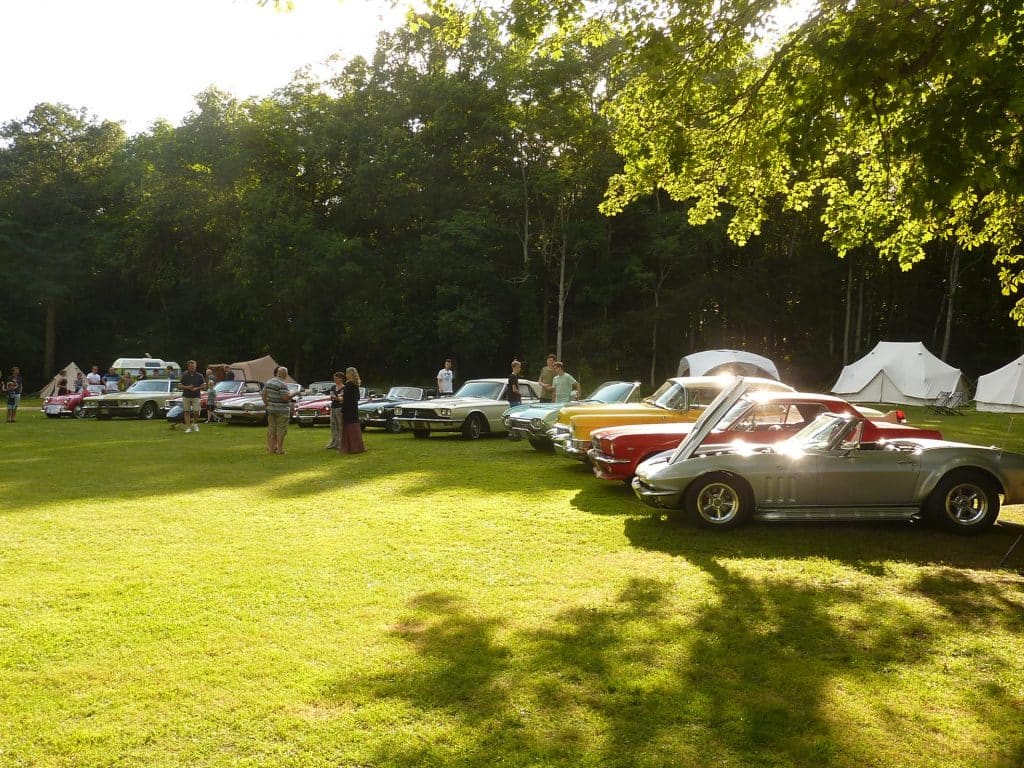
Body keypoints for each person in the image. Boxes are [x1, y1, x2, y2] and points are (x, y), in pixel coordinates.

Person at [262, 366, 298, 454]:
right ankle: (279, 450)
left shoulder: (269, 382)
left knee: (271, 429)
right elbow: (285, 397)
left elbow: (263, 394)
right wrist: (295, 393)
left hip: (271, 409)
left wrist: (266, 403)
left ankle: (271, 449)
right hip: (282, 410)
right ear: (284, 374)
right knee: (281, 430)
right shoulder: (282, 384)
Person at [339, 367, 366, 454]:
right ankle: (357, 446)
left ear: (349, 374)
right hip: (354, 408)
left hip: (348, 409)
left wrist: (341, 398)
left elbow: (346, 398)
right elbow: (357, 398)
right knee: (355, 427)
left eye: (347, 373)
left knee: (348, 428)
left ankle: (349, 447)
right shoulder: (356, 385)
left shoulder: (349, 384)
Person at [178, 360, 205, 433]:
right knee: (187, 412)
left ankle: (195, 424)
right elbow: (179, 386)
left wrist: (197, 388)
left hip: (196, 396)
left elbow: (204, 386)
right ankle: (188, 427)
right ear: (188, 367)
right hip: (186, 396)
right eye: (191, 366)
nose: (193, 368)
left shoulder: (199, 376)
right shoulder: (184, 375)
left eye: (194, 366)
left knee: (196, 411)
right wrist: (188, 387)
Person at [326, 371, 345, 449]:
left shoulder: (344, 388)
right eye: (334, 378)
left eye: (336, 378)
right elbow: (331, 396)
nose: (335, 380)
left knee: (340, 425)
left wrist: (335, 397)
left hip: (340, 408)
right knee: (333, 425)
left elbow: (342, 399)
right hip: (333, 407)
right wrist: (333, 397)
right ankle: (334, 442)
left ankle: (341, 443)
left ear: (341, 379)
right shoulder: (333, 387)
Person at [506, 360, 523, 441]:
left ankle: (514, 434)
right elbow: (514, 389)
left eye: (519, 367)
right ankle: (513, 434)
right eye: (518, 367)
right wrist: (520, 394)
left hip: (513, 398)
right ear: (513, 367)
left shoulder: (514, 377)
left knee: (514, 416)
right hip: (514, 399)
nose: (519, 369)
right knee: (515, 416)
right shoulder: (512, 376)